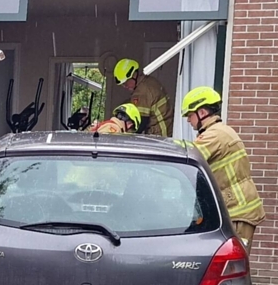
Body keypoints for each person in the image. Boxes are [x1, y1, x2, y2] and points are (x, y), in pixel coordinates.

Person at [180, 86, 265, 250]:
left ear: (202, 113)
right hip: (236, 210)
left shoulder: (213, 136)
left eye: (190, 115)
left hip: (237, 211)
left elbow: (185, 159)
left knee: (233, 265)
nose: (188, 120)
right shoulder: (221, 131)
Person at [113, 58, 172, 137]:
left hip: (158, 135)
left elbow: (140, 123)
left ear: (134, 75)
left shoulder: (141, 92)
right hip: (167, 130)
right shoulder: (149, 82)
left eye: (126, 82)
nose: (125, 86)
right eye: (122, 84)